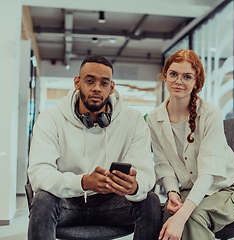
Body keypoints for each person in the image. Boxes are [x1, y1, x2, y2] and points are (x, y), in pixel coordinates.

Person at [27, 56, 161, 240]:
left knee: (150, 200)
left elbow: (146, 173)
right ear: (77, 82)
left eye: (104, 83)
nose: (97, 88)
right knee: (42, 199)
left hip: (113, 204)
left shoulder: (133, 119)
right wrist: (82, 182)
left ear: (111, 87)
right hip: (68, 201)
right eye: (90, 81)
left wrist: (135, 186)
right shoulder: (51, 117)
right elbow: (39, 173)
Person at [147, 50, 234, 240]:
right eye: (173, 74)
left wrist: (183, 214)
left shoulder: (210, 113)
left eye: (187, 77)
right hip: (192, 190)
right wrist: (173, 192)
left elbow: (209, 172)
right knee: (165, 215)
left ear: (196, 83)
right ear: (165, 76)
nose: (178, 81)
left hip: (232, 188)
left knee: (192, 218)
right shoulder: (154, 118)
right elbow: (163, 165)